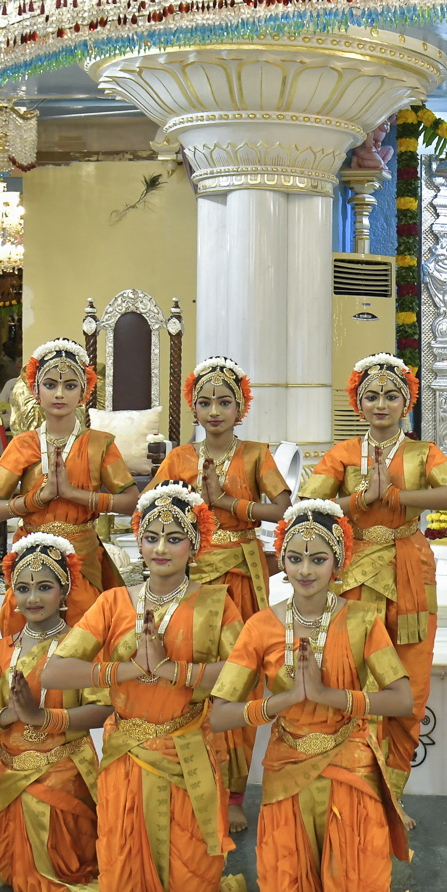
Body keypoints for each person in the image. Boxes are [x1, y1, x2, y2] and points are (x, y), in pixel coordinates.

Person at [41, 482, 250, 892]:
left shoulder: (217, 604)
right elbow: (54, 671)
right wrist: (127, 671)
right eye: (151, 537)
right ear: (137, 540)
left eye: (174, 539)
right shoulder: (113, 602)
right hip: (127, 753)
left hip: (188, 747)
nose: (161, 548)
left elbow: (242, 676)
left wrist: (174, 670)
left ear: (195, 546)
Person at [210, 499, 415, 892]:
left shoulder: (362, 619)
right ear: (281, 558)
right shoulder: (261, 627)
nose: (305, 570)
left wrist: (328, 697)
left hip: (349, 760)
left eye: (318, 559)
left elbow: (401, 699)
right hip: (287, 767)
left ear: (338, 562)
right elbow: (220, 713)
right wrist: (281, 701)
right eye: (295, 558)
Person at [297, 353, 447, 823]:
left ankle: (391, 795)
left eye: (391, 396)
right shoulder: (344, 453)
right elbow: (308, 502)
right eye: (371, 396)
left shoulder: (422, 453)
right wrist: (359, 500)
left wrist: (395, 498)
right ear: (357, 401)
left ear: (407, 402)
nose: (381, 404)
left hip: (410, 571)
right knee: (355, 681)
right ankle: (357, 788)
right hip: (355, 575)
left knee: (408, 690)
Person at [152, 355, 291, 831]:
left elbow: (283, 509)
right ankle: (189, 776)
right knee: (190, 673)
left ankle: (232, 794)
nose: (215, 410)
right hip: (189, 579)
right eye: (205, 401)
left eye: (224, 402)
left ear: (241, 407)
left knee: (238, 679)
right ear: (193, 406)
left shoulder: (256, 455)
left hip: (240, 579)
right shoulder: (178, 459)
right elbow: (152, 509)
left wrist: (229, 503)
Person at [0, 533, 108, 892]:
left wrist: (42, 718)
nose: (32, 598)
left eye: (44, 587)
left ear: (64, 591)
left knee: (68, 868)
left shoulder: (81, 646)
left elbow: (104, 709)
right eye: (22, 589)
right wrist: (6, 715)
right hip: (11, 776)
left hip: (67, 771)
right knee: (12, 869)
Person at [0, 338, 137, 603]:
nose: (59, 394)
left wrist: (72, 494)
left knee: (84, 629)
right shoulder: (22, 445)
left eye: (70, 385)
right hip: (31, 558)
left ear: (84, 392)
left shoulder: (100, 443)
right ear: (35, 390)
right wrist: (37, 499)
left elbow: (131, 502)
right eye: (50, 385)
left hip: (82, 557)